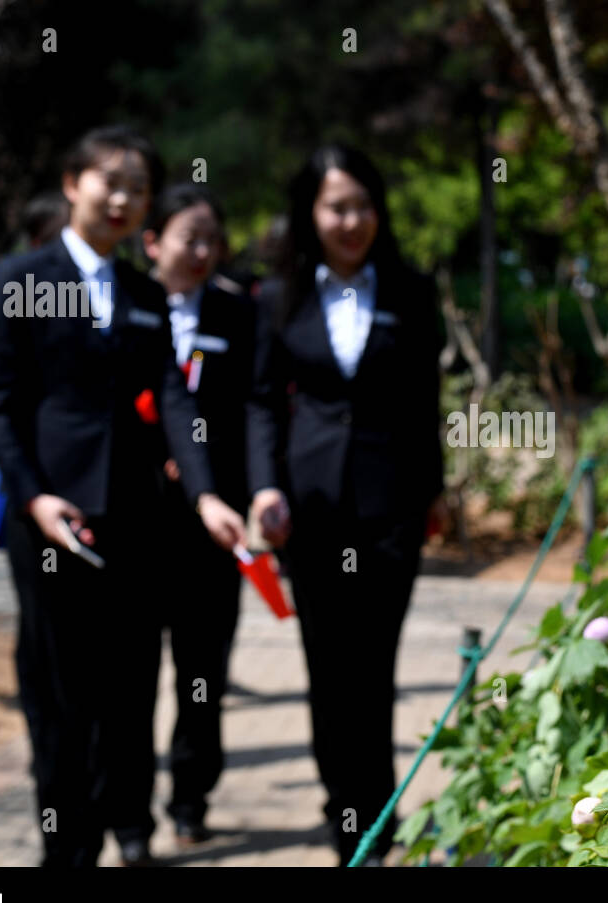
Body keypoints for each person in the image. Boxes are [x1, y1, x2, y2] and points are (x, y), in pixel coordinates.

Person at [0, 125, 246, 867]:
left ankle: (127, 821)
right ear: (73, 183)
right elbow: (0, 405)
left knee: (130, 685)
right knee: (60, 693)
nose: (125, 199)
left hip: (137, 520)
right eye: (111, 182)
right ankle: (66, 843)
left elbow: (173, 399)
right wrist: (33, 498)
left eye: (139, 188)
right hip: (51, 524)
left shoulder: (141, 293)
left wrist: (204, 497)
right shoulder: (22, 276)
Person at [247, 144, 447, 866]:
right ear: (311, 213)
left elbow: (427, 400)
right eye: (336, 207)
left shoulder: (410, 291)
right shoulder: (276, 297)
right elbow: (263, 401)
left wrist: (435, 489)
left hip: (390, 506)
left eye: (362, 205)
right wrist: (264, 487)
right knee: (328, 670)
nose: (351, 220)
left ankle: (379, 826)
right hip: (311, 508)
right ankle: (346, 817)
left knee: (376, 668)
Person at [141, 184, 255, 845]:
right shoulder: (124, 306)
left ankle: (190, 800)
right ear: (154, 241)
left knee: (203, 671)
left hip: (214, 523)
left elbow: (252, 408)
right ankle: (124, 809)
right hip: (137, 517)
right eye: (190, 237)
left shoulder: (237, 314)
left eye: (213, 238)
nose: (204, 251)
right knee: (128, 671)